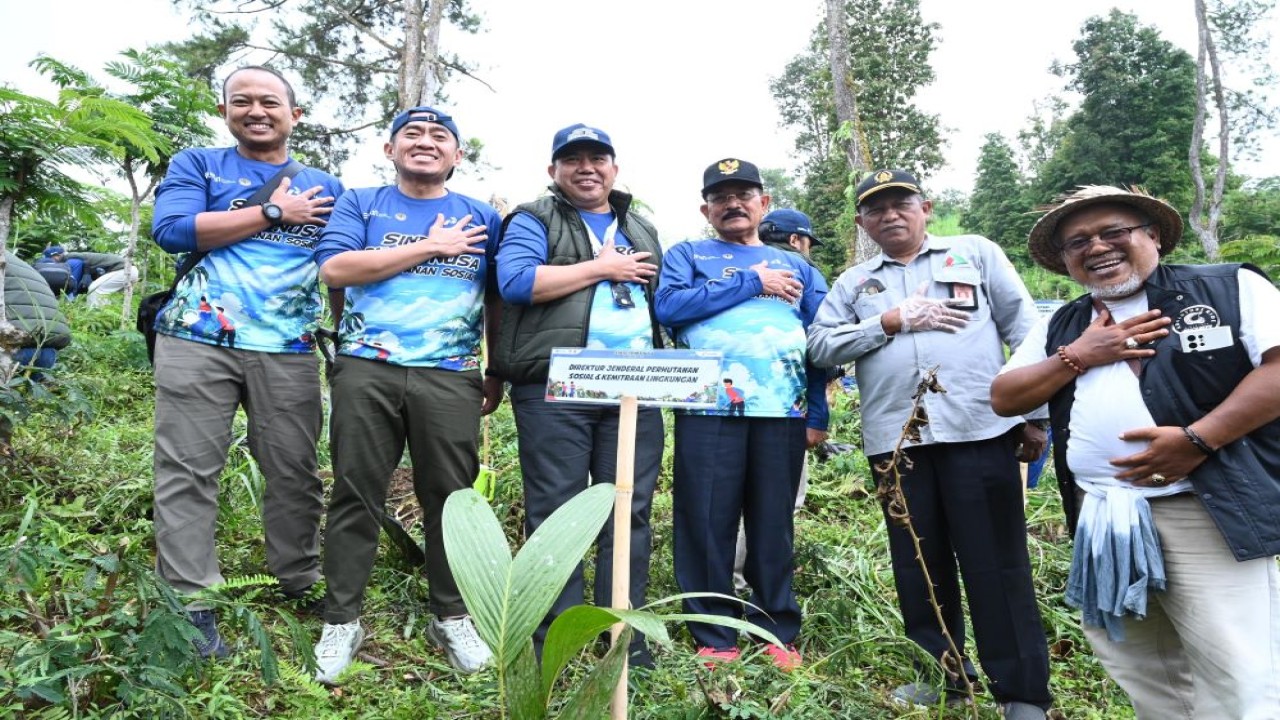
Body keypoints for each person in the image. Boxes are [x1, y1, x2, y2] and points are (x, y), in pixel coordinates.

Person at [991, 185, 1280, 719]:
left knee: (1239, 670)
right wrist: (1078, 356)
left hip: (1204, 507)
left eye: (1113, 232)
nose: (1096, 247)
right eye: (1077, 241)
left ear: (1152, 235)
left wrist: (1198, 439)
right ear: (1065, 260)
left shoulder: (1227, 287)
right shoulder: (1065, 324)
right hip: (1105, 515)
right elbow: (1005, 396)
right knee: (1143, 666)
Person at [807, 169, 1051, 718]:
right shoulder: (854, 283)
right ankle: (942, 676)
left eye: (901, 203)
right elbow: (820, 346)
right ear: (862, 222)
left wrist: (1035, 416)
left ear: (926, 207)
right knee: (918, 564)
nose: (890, 214)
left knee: (998, 562)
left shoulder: (975, 253)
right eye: (877, 209)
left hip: (980, 429)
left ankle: (1022, 692)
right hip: (896, 447)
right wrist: (889, 322)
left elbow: (1026, 328)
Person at [149, 65, 343, 658]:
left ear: (295, 113)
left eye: (269, 101)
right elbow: (173, 230)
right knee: (187, 470)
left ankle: (299, 576)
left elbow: (336, 263)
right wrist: (272, 213)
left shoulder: (324, 181)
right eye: (242, 101)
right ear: (225, 111)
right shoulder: (197, 165)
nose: (255, 110)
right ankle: (190, 602)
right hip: (196, 339)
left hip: (287, 347)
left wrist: (343, 331)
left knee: (294, 469)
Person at [309, 106, 501, 683]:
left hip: (451, 374)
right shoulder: (360, 203)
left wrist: (495, 371)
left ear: (457, 155)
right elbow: (337, 270)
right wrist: (428, 247)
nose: (425, 142)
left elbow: (495, 296)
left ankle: (451, 614)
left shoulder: (482, 215)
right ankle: (341, 619)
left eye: (439, 136)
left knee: (451, 496)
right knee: (355, 491)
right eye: (411, 135)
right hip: (368, 369)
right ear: (389, 149)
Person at [493, 123, 664, 666]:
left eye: (598, 158)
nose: (586, 168)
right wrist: (603, 267)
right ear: (553, 172)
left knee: (629, 510)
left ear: (615, 168)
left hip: (635, 387)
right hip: (555, 384)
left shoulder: (640, 224)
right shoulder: (533, 217)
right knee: (555, 511)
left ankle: (624, 639)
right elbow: (515, 282)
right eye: (573, 160)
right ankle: (557, 639)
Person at [653, 158, 826, 671]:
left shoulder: (799, 266)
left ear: (763, 203)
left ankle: (777, 629)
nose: (733, 203)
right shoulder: (687, 253)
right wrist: (752, 283)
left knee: (774, 522)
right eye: (721, 196)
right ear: (705, 207)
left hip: (783, 410)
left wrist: (818, 413)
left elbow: (821, 341)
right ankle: (715, 633)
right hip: (708, 407)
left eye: (744, 194)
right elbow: (669, 308)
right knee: (705, 520)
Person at [731, 208, 832, 594]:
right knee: (780, 499)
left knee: (730, 499)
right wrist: (818, 415)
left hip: (725, 403)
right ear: (796, 240)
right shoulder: (803, 271)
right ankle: (749, 584)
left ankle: (726, 583)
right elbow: (820, 348)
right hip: (785, 406)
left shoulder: (730, 269)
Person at [34, 246, 138, 306]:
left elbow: (71, 283)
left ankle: (95, 320)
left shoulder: (71, 259)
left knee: (95, 289)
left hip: (124, 270)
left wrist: (69, 298)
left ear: (56, 256)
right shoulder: (73, 257)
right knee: (108, 297)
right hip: (128, 271)